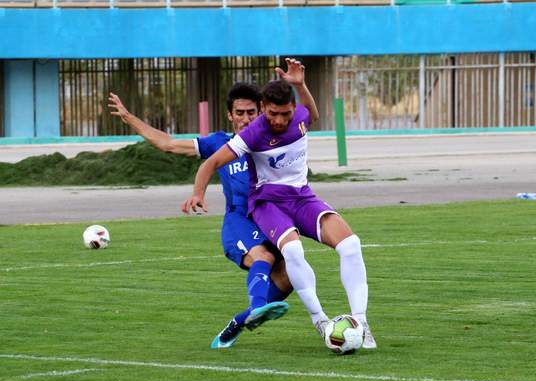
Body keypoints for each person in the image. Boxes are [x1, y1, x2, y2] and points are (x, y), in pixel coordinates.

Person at [182, 58, 376, 349]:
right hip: (267, 203)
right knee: (293, 250)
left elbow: (312, 114)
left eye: (285, 114)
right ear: (263, 108)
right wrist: (198, 193)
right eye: (273, 113)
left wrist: (300, 85)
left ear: (292, 109)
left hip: (301, 197)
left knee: (351, 244)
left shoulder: (299, 117)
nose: (279, 121)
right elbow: (211, 162)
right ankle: (320, 320)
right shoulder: (253, 133)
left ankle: (361, 323)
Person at [108, 83, 293, 349]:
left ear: (261, 112)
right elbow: (168, 144)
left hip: (269, 220)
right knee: (263, 257)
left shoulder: (273, 141)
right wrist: (129, 118)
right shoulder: (220, 144)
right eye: (239, 113)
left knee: (289, 278)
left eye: (251, 112)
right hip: (239, 222)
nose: (246, 119)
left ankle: (239, 322)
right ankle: (257, 307)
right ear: (230, 115)